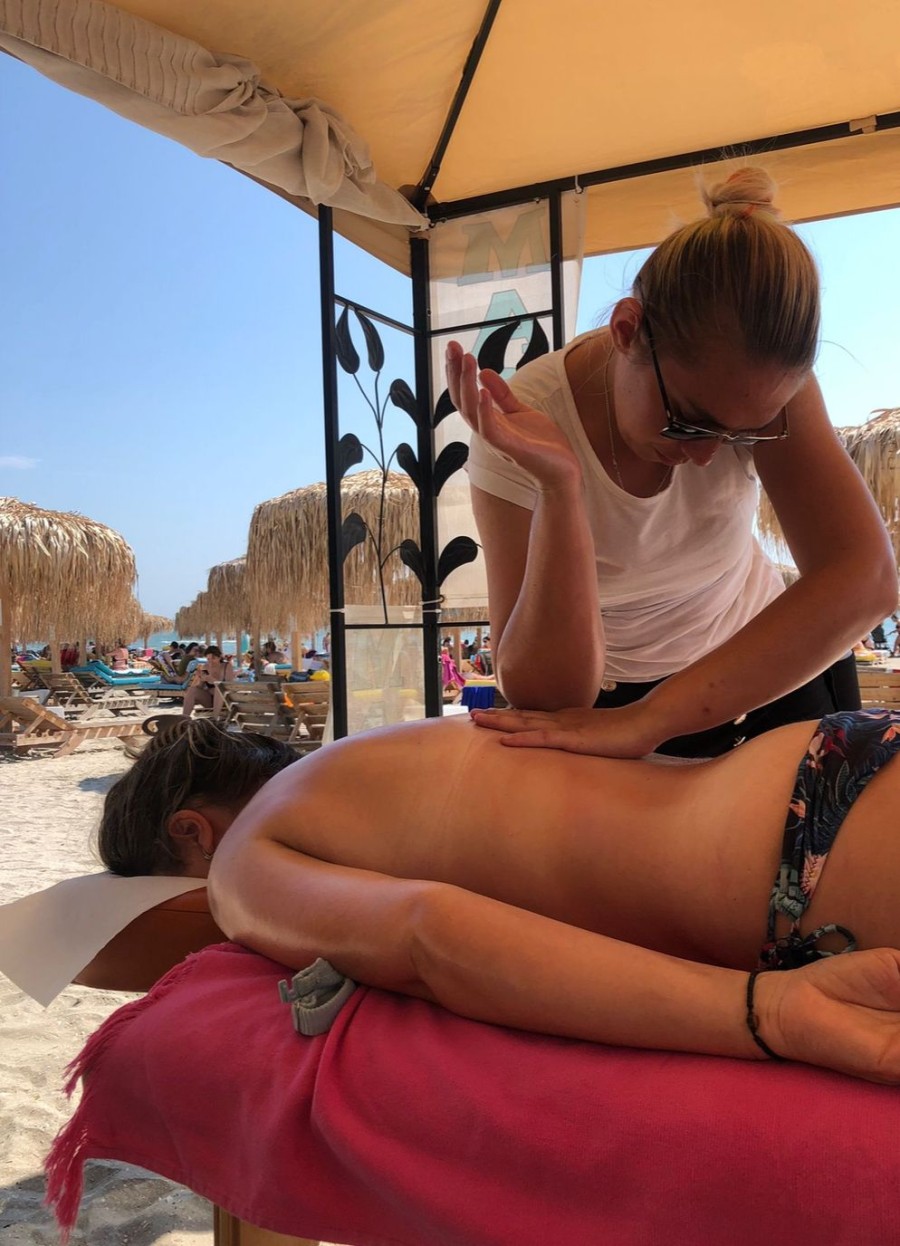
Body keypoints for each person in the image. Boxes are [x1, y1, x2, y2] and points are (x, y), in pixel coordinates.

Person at [97, 709, 900, 1084]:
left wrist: (765, 1012)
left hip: (801, 856)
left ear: (192, 833)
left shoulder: (239, 863)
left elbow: (430, 936)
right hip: (818, 771)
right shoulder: (365, 759)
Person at [446, 167, 896, 758]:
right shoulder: (523, 419)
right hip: (615, 701)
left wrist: (654, 718)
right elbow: (547, 695)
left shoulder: (764, 384)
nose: (707, 455)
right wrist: (560, 490)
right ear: (626, 329)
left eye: (740, 435)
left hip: (773, 671)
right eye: (689, 420)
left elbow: (866, 578)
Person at [182, 645, 233, 717]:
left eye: (213, 658)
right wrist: (199, 678)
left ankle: (215, 718)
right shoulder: (205, 667)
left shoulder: (226, 666)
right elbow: (200, 687)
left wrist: (213, 680)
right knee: (192, 690)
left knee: (219, 688)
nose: (211, 662)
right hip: (210, 701)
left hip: (225, 701)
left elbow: (229, 687)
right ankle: (184, 717)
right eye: (208, 659)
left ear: (219, 657)